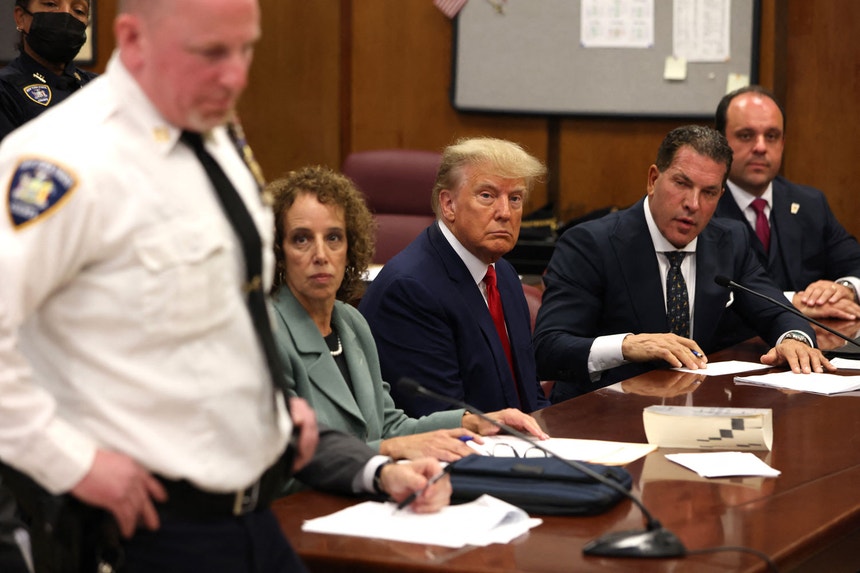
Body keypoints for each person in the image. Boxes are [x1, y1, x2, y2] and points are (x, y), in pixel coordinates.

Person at [0, 1, 449, 572]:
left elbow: (216, 311)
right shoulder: (62, 159)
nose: (235, 75)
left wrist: (276, 413)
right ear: (133, 39)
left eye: (246, 49)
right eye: (211, 52)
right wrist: (72, 463)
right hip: (146, 527)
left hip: (257, 510)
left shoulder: (216, 139)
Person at [268, 165, 548, 486]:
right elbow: (282, 466)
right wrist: (388, 450)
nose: (321, 255)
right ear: (276, 251)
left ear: (351, 246)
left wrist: (473, 422)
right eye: (301, 239)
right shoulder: (267, 335)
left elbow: (389, 425)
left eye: (334, 238)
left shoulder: (350, 322)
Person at [533, 125, 834, 403]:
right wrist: (627, 346)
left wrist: (794, 340)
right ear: (653, 180)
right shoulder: (590, 244)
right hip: (599, 414)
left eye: (709, 192)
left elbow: (777, 311)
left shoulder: (730, 240)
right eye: (681, 183)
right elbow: (548, 349)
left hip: (693, 413)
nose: (693, 204)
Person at [358, 137, 551, 417]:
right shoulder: (410, 291)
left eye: (515, 198)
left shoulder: (504, 274)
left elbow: (529, 396)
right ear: (448, 204)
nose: (505, 213)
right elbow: (441, 417)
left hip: (520, 446)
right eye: (487, 195)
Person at [714, 85, 860, 320]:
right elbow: (709, 300)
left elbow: (854, 263)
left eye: (771, 136)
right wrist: (792, 303)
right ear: (720, 143)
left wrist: (844, 289)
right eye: (746, 135)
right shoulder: (700, 208)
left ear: (782, 143)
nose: (761, 147)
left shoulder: (810, 203)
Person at [0, 0, 97, 142]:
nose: (66, 14)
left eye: (78, 10)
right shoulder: (5, 90)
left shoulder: (99, 87)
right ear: (21, 17)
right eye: (51, 4)